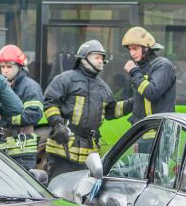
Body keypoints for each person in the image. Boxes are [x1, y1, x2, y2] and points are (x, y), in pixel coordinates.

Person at [44, 40, 126, 178]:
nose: (101, 61)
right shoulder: (65, 79)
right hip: (63, 150)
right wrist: (58, 126)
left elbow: (111, 112)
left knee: (82, 192)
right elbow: (49, 102)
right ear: (84, 58)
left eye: (102, 58)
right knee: (58, 189)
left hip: (87, 154)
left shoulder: (103, 88)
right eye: (97, 57)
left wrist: (133, 103)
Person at [0, 45, 43, 170]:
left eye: (9, 67)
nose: (5, 71)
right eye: (2, 67)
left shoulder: (30, 87)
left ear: (20, 67)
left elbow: (34, 114)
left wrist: (6, 118)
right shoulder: (1, 86)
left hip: (23, 151)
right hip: (2, 147)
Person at [119, 26, 177, 124]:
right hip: (143, 130)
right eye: (130, 49)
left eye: (135, 49)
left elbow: (152, 93)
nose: (132, 53)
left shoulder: (163, 65)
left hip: (158, 131)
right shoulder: (140, 68)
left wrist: (134, 72)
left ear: (146, 48)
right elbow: (140, 100)